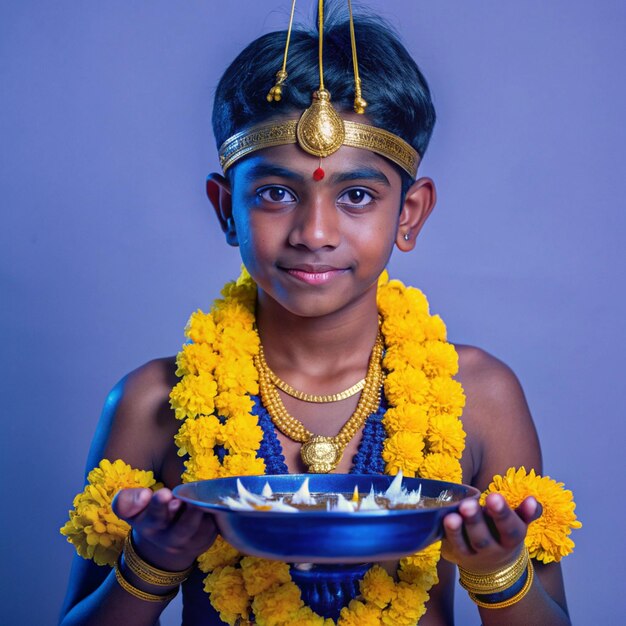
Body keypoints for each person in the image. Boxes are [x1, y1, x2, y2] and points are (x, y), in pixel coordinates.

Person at [59, 3, 580, 625]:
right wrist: (150, 560)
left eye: (356, 196)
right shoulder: (153, 402)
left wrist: (499, 572)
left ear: (409, 214)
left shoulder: (480, 397)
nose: (314, 231)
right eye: (276, 194)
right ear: (226, 209)